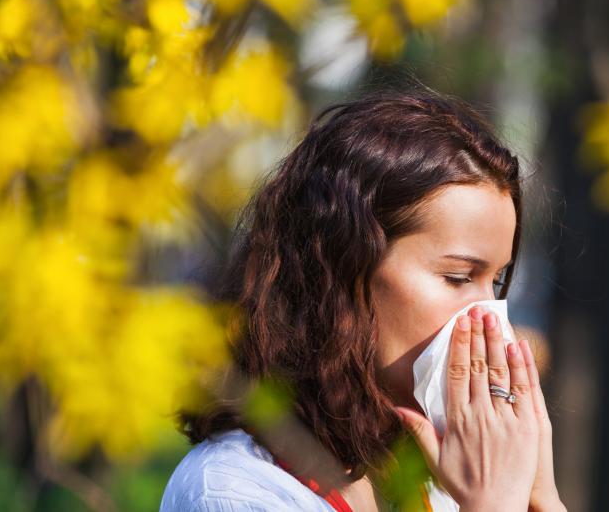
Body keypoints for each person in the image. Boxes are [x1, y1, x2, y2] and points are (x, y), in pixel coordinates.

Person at [159, 87, 567, 512]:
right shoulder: (232, 491)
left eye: (496, 283)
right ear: (343, 269)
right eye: (458, 277)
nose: (490, 321)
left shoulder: (442, 477)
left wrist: (541, 498)